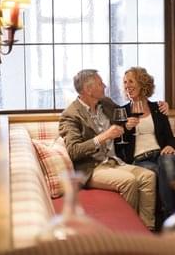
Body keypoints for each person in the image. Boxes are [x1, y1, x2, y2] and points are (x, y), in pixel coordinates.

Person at [59, 69, 167, 230]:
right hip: (92, 168)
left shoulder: (106, 103)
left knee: (148, 176)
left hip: (115, 161)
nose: (105, 85)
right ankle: (126, 230)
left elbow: (128, 111)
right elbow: (74, 151)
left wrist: (160, 105)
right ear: (88, 90)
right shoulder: (71, 115)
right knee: (129, 181)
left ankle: (146, 229)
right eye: (100, 83)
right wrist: (104, 136)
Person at [115, 66, 175, 223]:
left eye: (131, 81)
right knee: (168, 173)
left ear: (142, 83)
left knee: (168, 161)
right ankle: (173, 218)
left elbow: (169, 137)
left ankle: (167, 219)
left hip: (160, 154)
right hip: (140, 160)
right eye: (125, 82)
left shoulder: (158, 108)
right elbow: (118, 145)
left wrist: (170, 146)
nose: (127, 85)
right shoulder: (122, 112)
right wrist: (126, 128)